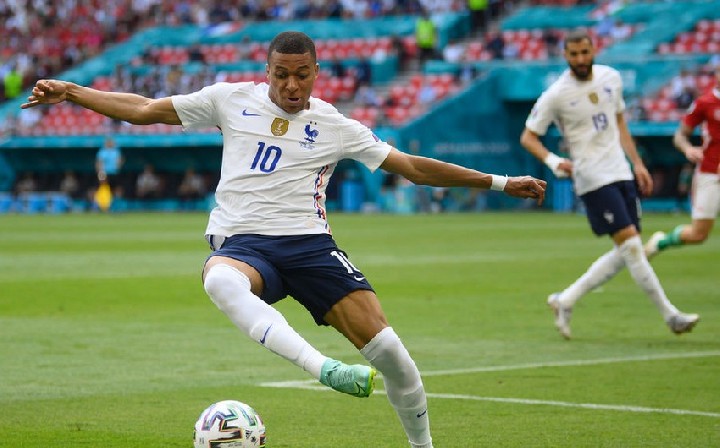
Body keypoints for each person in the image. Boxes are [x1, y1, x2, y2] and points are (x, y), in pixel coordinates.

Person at [22, 31, 546, 448]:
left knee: (393, 356)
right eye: (281, 75)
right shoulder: (229, 99)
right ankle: (325, 369)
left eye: (301, 75)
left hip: (311, 247)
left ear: (316, 73)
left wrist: (500, 182)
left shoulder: (334, 124)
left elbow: (411, 167)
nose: (291, 86)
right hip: (245, 245)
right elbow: (143, 109)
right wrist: (72, 92)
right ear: (267, 71)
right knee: (219, 280)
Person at [519, 30, 699, 340]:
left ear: (593, 50)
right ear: (565, 56)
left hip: (621, 171)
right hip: (591, 177)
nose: (580, 59)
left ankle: (566, 299)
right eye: (574, 54)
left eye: (584, 52)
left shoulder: (610, 78)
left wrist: (637, 163)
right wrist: (553, 161)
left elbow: (619, 122)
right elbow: (528, 137)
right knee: (632, 247)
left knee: (629, 250)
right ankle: (671, 316)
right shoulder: (556, 94)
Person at [644, 65, 720, 260]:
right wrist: (688, 149)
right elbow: (680, 135)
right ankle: (660, 242)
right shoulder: (705, 103)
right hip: (711, 174)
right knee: (698, 234)